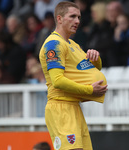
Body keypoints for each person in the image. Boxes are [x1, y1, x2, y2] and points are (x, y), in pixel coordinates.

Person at [39, 2, 108, 150]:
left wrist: (96, 59)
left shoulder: (73, 44)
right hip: (61, 107)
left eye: (79, 17)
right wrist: (89, 90)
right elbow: (57, 81)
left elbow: (93, 70)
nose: (77, 21)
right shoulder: (54, 44)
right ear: (59, 18)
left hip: (74, 107)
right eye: (72, 16)